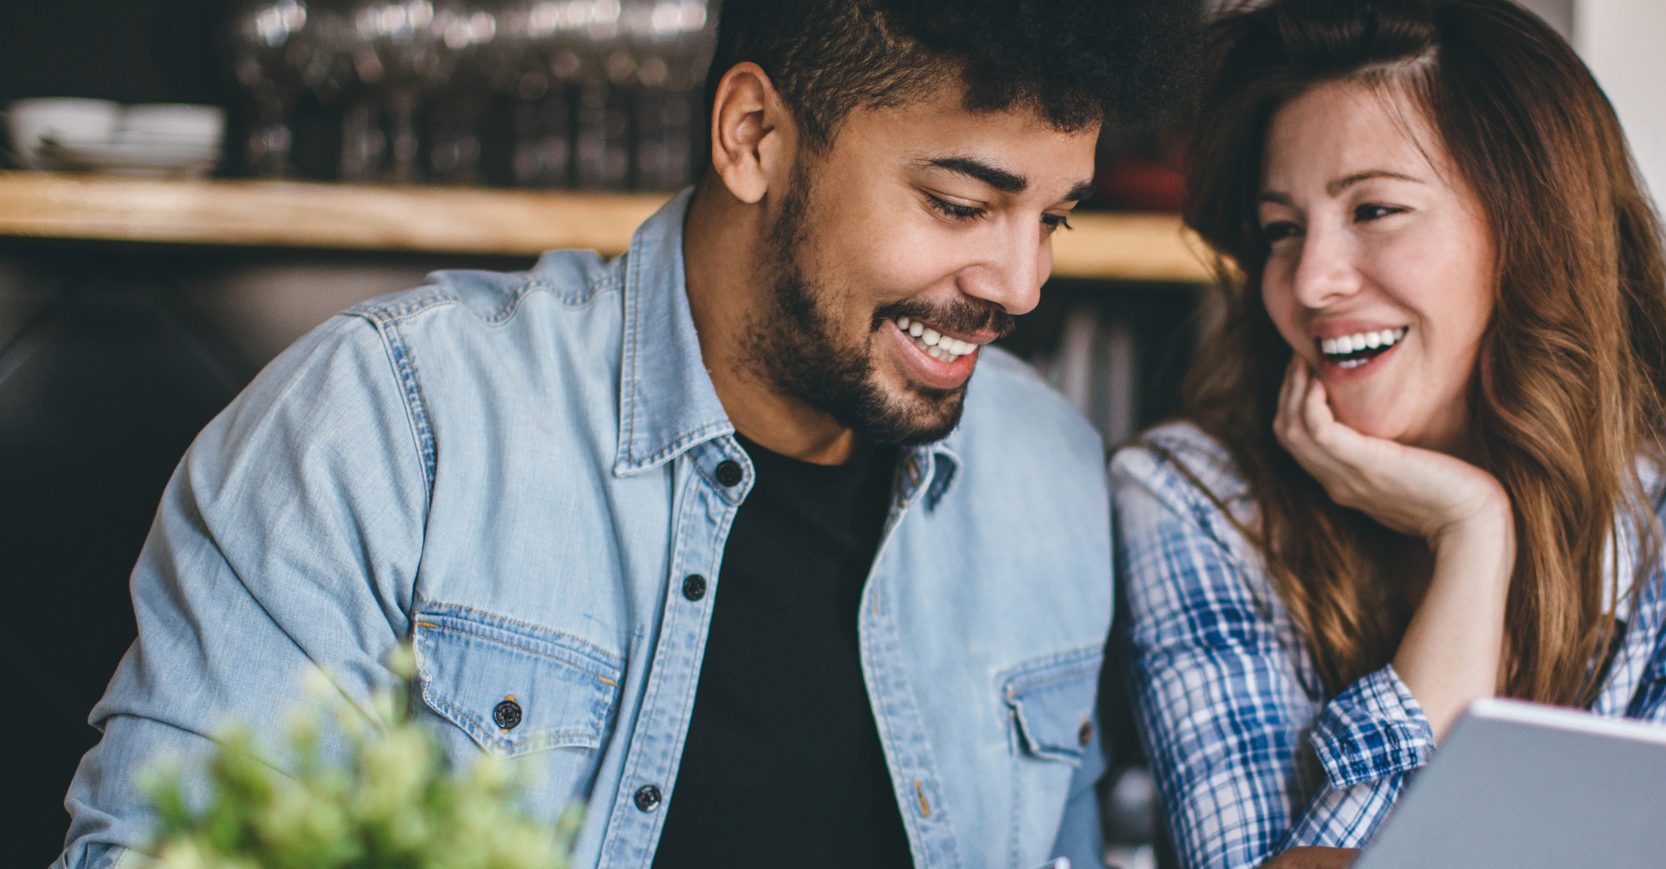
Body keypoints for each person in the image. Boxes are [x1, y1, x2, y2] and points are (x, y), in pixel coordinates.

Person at [55, 1, 1190, 866]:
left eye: (1056, 217)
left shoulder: (1050, 466)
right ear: (754, 136)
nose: (1023, 282)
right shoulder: (389, 423)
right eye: (960, 204)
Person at [1111, 1, 1666, 867]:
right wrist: (1471, 542)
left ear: (1529, 227)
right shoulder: (1193, 494)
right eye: (1281, 229)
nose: (1309, 281)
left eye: (1375, 210)